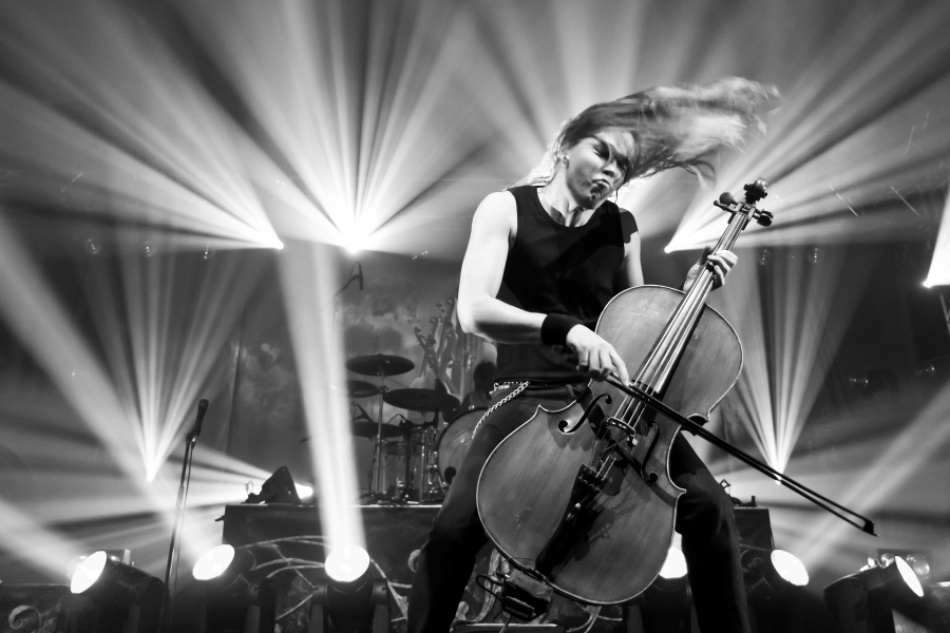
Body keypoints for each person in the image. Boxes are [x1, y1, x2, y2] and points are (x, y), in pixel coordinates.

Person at [407, 77, 776, 633]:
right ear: (565, 145)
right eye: (601, 152)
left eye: (621, 167)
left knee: (711, 508)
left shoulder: (621, 229)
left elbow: (643, 325)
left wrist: (692, 293)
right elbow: (473, 310)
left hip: (612, 403)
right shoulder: (505, 208)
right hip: (528, 395)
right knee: (454, 530)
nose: (609, 171)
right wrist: (568, 331)